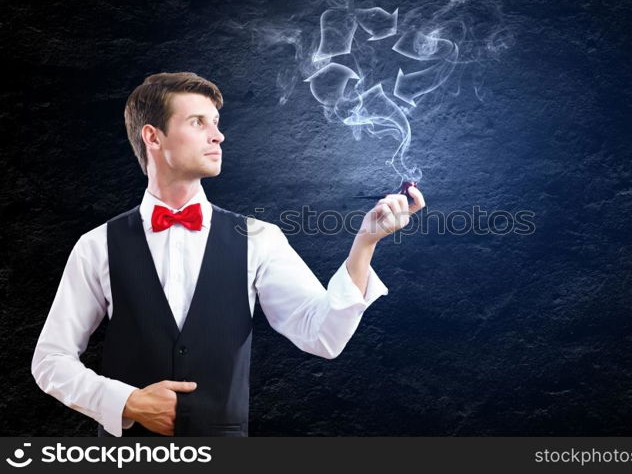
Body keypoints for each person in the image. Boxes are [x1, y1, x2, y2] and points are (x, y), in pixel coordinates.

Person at [31, 72, 425, 437]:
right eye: (198, 122)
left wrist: (365, 244)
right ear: (153, 137)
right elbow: (50, 360)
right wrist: (126, 401)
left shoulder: (259, 238)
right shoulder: (96, 245)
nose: (217, 136)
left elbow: (322, 336)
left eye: (216, 123)